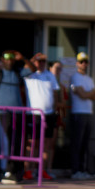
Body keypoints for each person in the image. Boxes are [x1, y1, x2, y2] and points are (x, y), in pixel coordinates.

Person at [0, 51, 35, 184]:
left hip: (18, 113)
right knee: (8, 141)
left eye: (12, 58)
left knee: (17, 141)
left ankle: (16, 171)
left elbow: (32, 69)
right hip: (3, 113)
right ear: (2, 60)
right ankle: (7, 170)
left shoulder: (17, 73)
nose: (10, 60)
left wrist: (22, 57)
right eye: (7, 58)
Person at [22, 52, 59, 181]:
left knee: (47, 144)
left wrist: (54, 110)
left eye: (43, 61)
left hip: (48, 114)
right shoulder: (29, 74)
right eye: (39, 61)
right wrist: (31, 61)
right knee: (32, 143)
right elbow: (26, 69)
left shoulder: (50, 75)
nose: (41, 63)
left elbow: (55, 92)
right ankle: (28, 170)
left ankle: (42, 170)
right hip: (34, 114)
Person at [69, 52, 95, 180]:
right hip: (78, 113)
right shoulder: (75, 77)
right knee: (77, 143)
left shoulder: (89, 79)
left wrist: (88, 93)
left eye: (85, 61)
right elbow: (83, 95)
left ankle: (82, 169)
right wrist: (89, 93)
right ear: (77, 63)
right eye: (81, 61)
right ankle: (75, 170)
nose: (84, 64)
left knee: (85, 143)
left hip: (88, 113)